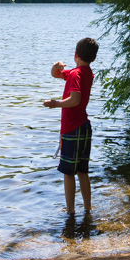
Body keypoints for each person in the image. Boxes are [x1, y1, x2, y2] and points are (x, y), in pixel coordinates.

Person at [43, 37, 99, 215]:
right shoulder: (86, 72)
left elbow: (74, 100)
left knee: (68, 172)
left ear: (75, 54)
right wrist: (56, 66)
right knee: (83, 170)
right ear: (93, 58)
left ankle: (70, 210)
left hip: (72, 128)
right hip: (84, 126)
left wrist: (55, 103)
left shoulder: (75, 74)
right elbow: (56, 74)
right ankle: (88, 207)